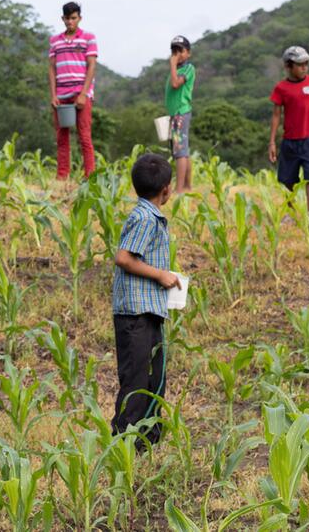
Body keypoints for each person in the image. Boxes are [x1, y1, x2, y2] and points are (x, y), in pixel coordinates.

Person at [111, 153, 181, 448]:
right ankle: (125, 444)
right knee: (137, 381)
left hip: (148, 311)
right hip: (135, 316)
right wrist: (159, 275)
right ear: (166, 189)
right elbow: (123, 258)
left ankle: (147, 441)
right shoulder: (144, 219)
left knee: (154, 379)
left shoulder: (148, 216)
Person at [267, 45, 309, 224]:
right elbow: (276, 115)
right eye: (300, 64)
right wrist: (272, 142)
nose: (305, 67)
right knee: (288, 178)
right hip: (290, 140)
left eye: (306, 63)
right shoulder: (281, 88)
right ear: (289, 66)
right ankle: (291, 212)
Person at [47, 1, 98, 181]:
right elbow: (52, 69)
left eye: (73, 18)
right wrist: (53, 95)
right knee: (62, 137)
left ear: (79, 18)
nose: (70, 22)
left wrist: (84, 93)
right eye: (67, 18)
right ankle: (62, 176)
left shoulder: (88, 38)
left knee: (84, 136)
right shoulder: (55, 41)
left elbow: (92, 66)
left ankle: (90, 176)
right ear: (63, 18)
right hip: (61, 95)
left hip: (80, 93)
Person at [165, 35, 195, 192]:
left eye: (180, 51)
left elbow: (176, 84)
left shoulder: (188, 69)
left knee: (180, 152)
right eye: (174, 51)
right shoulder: (176, 70)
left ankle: (179, 189)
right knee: (183, 150)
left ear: (188, 53)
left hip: (180, 113)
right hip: (175, 114)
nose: (177, 54)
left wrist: (172, 65)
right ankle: (187, 186)